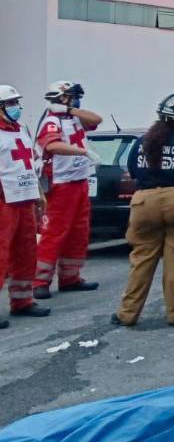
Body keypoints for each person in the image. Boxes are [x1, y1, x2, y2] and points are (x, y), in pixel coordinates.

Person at [111, 94, 174, 327]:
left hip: (144, 204)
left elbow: (134, 172)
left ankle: (127, 314)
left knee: (141, 261)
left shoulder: (143, 142)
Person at [34, 81, 102, 299]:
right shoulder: (51, 121)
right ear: (62, 98)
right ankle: (40, 281)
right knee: (54, 233)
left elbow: (96, 119)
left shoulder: (73, 118)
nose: (77, 100)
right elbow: (52, 145)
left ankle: (70, 278)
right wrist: (82, 152)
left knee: (78, 232)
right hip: (61, 184)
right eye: (72, 97)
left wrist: (70, 109)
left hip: (79, 181)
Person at [0, 85, 51, 326]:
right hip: (4, 201)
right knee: (1, 254)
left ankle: (22, 301)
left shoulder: (22, 129)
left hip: (25, 198)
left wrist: (39, 193)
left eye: (16, 103)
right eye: (10, 104)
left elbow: (28, 164)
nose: (16, 108)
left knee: (27, 251)